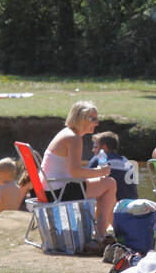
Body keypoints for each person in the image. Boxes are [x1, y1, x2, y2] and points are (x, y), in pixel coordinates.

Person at [43, 101, 117, 252]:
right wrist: (100, 172)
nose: (96, 123)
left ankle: (100, 233)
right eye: (93, 119)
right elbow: (76, 172)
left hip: (51, 188)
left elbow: (73, 172)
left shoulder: (66, 133)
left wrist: (96, 174)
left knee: (103, 182)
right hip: (59, 191)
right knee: (110, 183)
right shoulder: (74, 138)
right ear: (81, 118)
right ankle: (101, 236)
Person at [88, 131, 138, 201]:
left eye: (95, 147)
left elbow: (84, 183)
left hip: (112, 206)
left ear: (104, 147)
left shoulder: (99, 159)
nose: (93, 150)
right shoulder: (127, 162)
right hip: (131, 203)